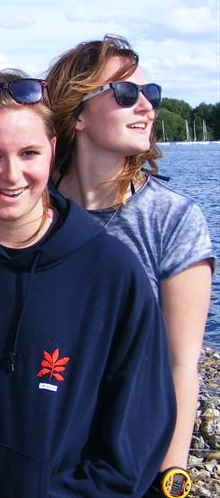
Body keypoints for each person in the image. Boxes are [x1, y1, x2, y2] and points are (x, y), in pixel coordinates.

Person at [0, 69, 176, 497]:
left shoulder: (111, 271)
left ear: (53, 151)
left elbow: (137, 433)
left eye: (29, 153)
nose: (12, 174)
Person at [45, 35, 215, 497]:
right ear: (76, 113)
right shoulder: (33, 210)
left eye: (150, 94)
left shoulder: (172, 220)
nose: (146, 106)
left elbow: (182, 363)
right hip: (43, 439)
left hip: (129, 454)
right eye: (124, 94)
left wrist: (172, 475)